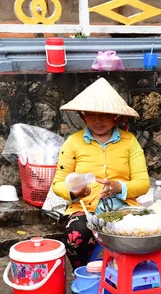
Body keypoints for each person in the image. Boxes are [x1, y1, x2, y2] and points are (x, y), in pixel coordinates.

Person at [52, 78, 150, 270]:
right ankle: (84, 274)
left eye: (105, 115)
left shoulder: (129, 142)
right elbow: (58, 185)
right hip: (85, 210)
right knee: (76, 234)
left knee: (141, 233)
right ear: (83, 115)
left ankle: (130, 275)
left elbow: (143, 183)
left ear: (115, 116)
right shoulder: (73, 142)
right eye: (92, 114)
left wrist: (119, 187)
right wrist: (74, 192)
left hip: (124, 207)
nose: (98, 121)